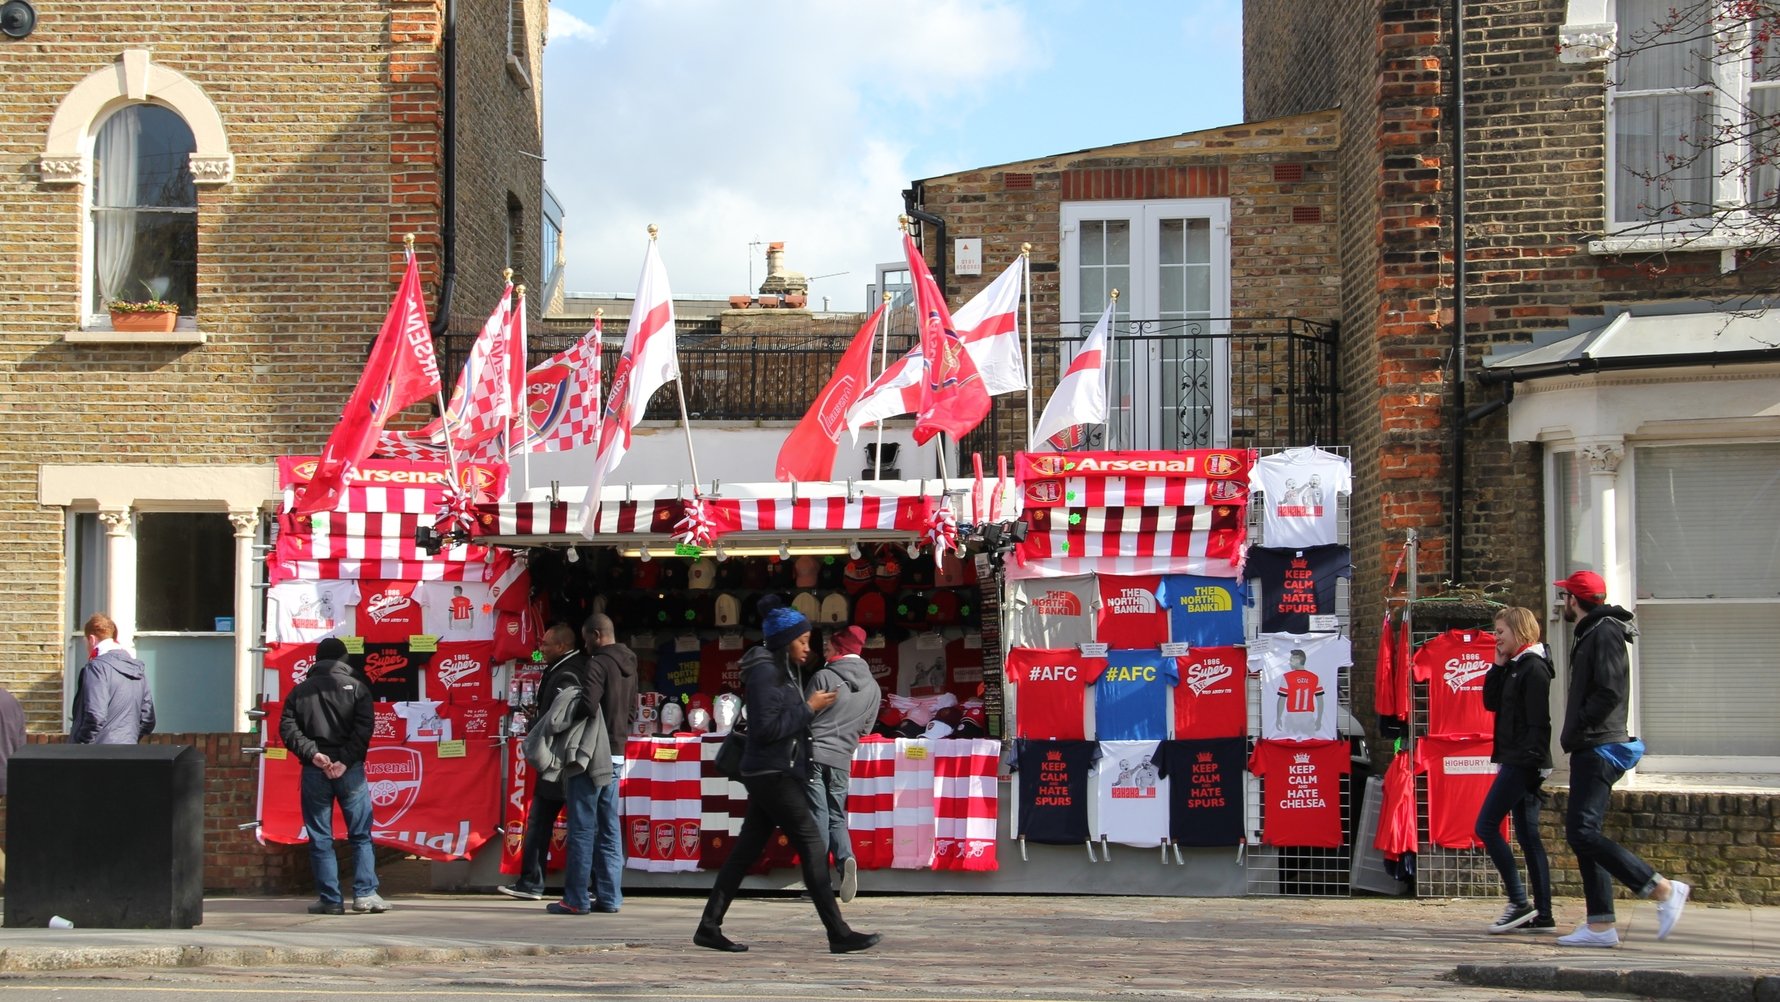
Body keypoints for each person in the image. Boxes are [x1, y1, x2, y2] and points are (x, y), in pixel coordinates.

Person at [695, 596, 881, 955]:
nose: (808, 649)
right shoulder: (767, 672)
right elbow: (765, 729)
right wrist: (809, 709)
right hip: (771, 771)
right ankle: (837, 932)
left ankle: (709, 925)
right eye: (802, 641)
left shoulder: (780, 669)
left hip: (773, 769)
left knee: (744, 851)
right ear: (784, 641)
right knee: (812, 843)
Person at [1552, 570, 1688, 947]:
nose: (1561, 603)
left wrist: (1581, 724)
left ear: (1574, 600)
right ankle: (1600, 925)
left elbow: (1610, 691)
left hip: (1598, 744)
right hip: (1589, 743)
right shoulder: (1593, 632)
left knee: (1581, 832)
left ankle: (1661, 888)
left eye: (1565, 596)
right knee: (1584, 835)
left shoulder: (1604, 632)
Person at [279, 637, 387, 915]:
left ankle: (330, 899)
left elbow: (288, 729)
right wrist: (344, 761)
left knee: (320, 837)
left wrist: (314, 754)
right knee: (361, 834)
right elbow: (364, 728)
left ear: (317, 660)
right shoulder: (358, 688)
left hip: (315, 770)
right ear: (343, 659)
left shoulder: (300, 691)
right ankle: (365, 895)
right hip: (349, 770)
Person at [1476, 606, 1555, 934]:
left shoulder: (1533, 668)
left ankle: (1519, 901)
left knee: (1486, 826)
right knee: (1528, 836)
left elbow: (1539, 721)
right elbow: (1491, 703)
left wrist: (1535, 764)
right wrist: (1497, 665)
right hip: (1517, 758)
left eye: (1501, 632)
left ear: (1520, 633)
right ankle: (1544, 914)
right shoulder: (1514, 666)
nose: (1496, 638)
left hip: (1523, 762)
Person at [499, 623, 586, 903]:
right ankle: (538, 882)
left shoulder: (568, 672)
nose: (541, 648)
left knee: (544, 821)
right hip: (562, 758)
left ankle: (532, 883)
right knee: (569, 822)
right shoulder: (563, 667)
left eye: (546, 644)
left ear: (561, 646)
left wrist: (538, 727)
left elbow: (560, 718)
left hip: (559, 759)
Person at [804, 625, 879, 903]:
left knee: (818, 815)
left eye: (830, 646)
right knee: (836, 814)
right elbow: (866, 729)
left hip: (814, 753)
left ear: (840, 649)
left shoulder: (823, 676)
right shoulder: (873, 686)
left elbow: (805, 714)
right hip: (842, 757)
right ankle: (846, 857)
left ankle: (818, 882)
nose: (825, 650)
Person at [582, 613, 638, 913]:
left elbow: (588, 707)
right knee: (609, 825)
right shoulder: (630, 663)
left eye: (586, 638)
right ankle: (611, 895)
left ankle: (589, 892)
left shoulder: (597, 663)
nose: (585, 644)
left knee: (586, 824)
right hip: (618, 748)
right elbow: (632, 710)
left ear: (596, 635)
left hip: (594, 752)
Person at [69, 614, 155, 744]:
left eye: (85, 641)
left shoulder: (97, 668)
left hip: (97, 755)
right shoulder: (137, 671)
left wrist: (81, 744)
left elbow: (95, 716)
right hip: (127, 752)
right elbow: (148, 721)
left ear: (91, 639)